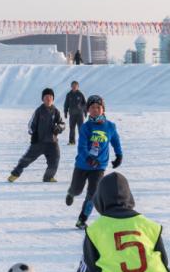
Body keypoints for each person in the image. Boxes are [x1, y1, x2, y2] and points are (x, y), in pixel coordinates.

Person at [65, 95, 123, 230]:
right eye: (92, 108)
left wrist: (119, 155)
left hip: (99, 166)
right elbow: (82, 146)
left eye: (98, 107)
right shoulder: (86, 127)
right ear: (88, 110)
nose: (95, 110)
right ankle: (71, 193)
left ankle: (81, 220)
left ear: (103, 109)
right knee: (77, 190)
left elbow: (115, 141)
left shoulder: (110, 126)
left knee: (93, 193)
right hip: (82, 165)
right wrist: (89, 158)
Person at [8, 88, 65, 183]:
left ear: (53, 99)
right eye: (46, 97)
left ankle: (48, 177)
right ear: (43, 99)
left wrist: (59, 127)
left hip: (52, 143)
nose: (48, 99)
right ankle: (14, 174)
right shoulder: (39, 111)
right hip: (39, 142)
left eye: (50, 97)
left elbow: (62, 124)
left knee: (55, 160)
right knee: (26, 159)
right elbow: (31, 125)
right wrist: (33, 134)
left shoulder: (56, 111)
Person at [63, 81, 86, 145]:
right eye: (73, 86)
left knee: (81, 129)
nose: (74, 87)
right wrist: (65, 111)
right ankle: (72, 141)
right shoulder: (69, 94)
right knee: (72, 128)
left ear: (78, 87)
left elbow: (84, 104)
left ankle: (82, 141)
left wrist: (85, 111)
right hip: (72, 114)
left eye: (75, 86)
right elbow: (66, 104)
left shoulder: (80, 94)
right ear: (71, 86)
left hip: (80, 114)